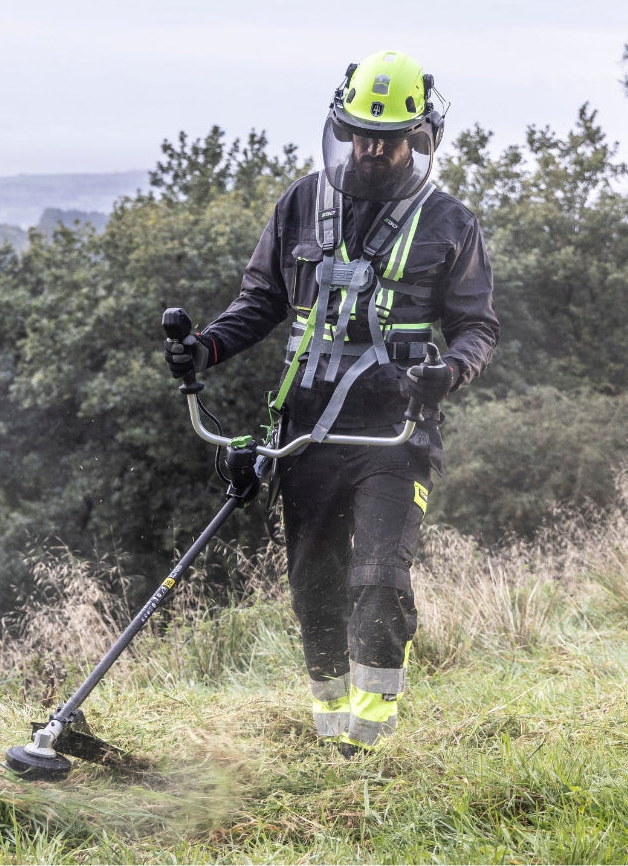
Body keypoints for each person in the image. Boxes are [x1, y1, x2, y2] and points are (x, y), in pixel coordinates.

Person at [163, 50, 498, 753]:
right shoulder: (301, 204)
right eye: (359, 133)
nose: (371, 149)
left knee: (378, 575)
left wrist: (450, 372)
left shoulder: (448, 222)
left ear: (420, 137)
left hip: (393, 433)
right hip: (305, 431)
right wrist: (205, 348)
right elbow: (259, 303)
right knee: (313, 582)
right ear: (341, 127)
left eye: (388, 137)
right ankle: (328, 721)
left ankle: (371, 736)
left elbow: (475, 328)